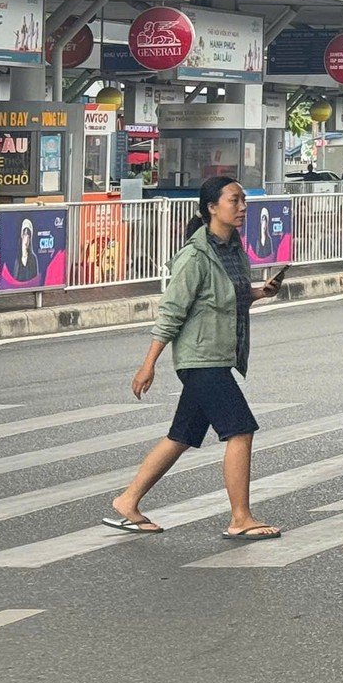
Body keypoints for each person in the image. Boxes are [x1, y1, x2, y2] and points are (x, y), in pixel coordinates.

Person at [106, 176, 284, 539]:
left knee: (182, 434)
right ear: (211, 208)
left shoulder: (233, 249)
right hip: (200, 359)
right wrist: (148, 364)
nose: (242, 208)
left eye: (243, 201)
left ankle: (128, 501)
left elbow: (226, 296)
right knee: (240, 429)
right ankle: (240, 518)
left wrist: (259, 293)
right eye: (234, 201)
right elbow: (171, 312)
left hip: (218, 356)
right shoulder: (194, 257)